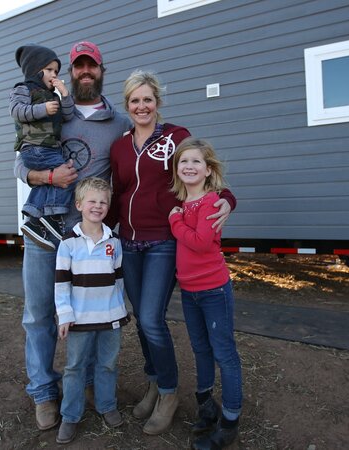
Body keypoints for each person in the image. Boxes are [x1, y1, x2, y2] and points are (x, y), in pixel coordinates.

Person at [109, 70, 236, 435]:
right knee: (141, 318)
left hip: (164, 240)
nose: (142, 106)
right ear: (127, 105)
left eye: (148, 99)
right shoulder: (119, 146)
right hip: (129, 242)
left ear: (157, 102)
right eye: (135, 100)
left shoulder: (175, 136)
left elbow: (201, 171)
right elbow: (118, 194)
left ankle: (168, 393)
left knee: (151, 318)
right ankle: (154, 382)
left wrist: (227, 198)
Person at [14, 41, 131, 432]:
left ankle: (94, 385)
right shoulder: (47, 107)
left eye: (91, 66)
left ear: (101, 70)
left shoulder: (118, 122)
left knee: (94, 315)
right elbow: (19, 163)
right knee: (39, 315)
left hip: (89, 238)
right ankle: (45, 393)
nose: (84, 72)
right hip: (45, 229)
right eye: (78, 66)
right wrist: (47, 177)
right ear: (69, 72)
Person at [168, 138, 242, 450]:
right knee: (200, 349)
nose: (189, 166)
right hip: (189, 291)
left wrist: (174, 221)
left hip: (213, 290)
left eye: (196, 162)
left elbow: (199, 241)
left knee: (224, 352)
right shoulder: (183, 204)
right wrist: (178, 214)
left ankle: (230, 420)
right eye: (183, 161)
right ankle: (206, 405)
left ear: (208, 170)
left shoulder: (212, 202)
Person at [54, 177, 129, 444]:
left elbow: (118, 278)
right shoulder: (69, 243)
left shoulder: (114, 241)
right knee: (75, 367)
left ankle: (107, 405)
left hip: (110, 318)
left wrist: (120, 309)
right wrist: (65, 315)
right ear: (79, 204)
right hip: (80, 319)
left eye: (103, 202)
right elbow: (61, 283)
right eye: (92, 201)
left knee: (107, 364)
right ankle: (70, 416)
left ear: (108, 206)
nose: (97, 206)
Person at [10, 44, 75, 250]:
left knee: (49, 182)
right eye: (49, 70)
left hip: (49, 148)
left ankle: (33, 217)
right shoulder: (23, 88)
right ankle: (53, 217)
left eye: (56, 71)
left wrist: (64, 95)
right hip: (35, 147)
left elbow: (68, 116)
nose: (53, 74)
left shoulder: (54, 96)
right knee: (67, 177)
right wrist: (42, 109)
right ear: (35, 70)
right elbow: (17, 111)